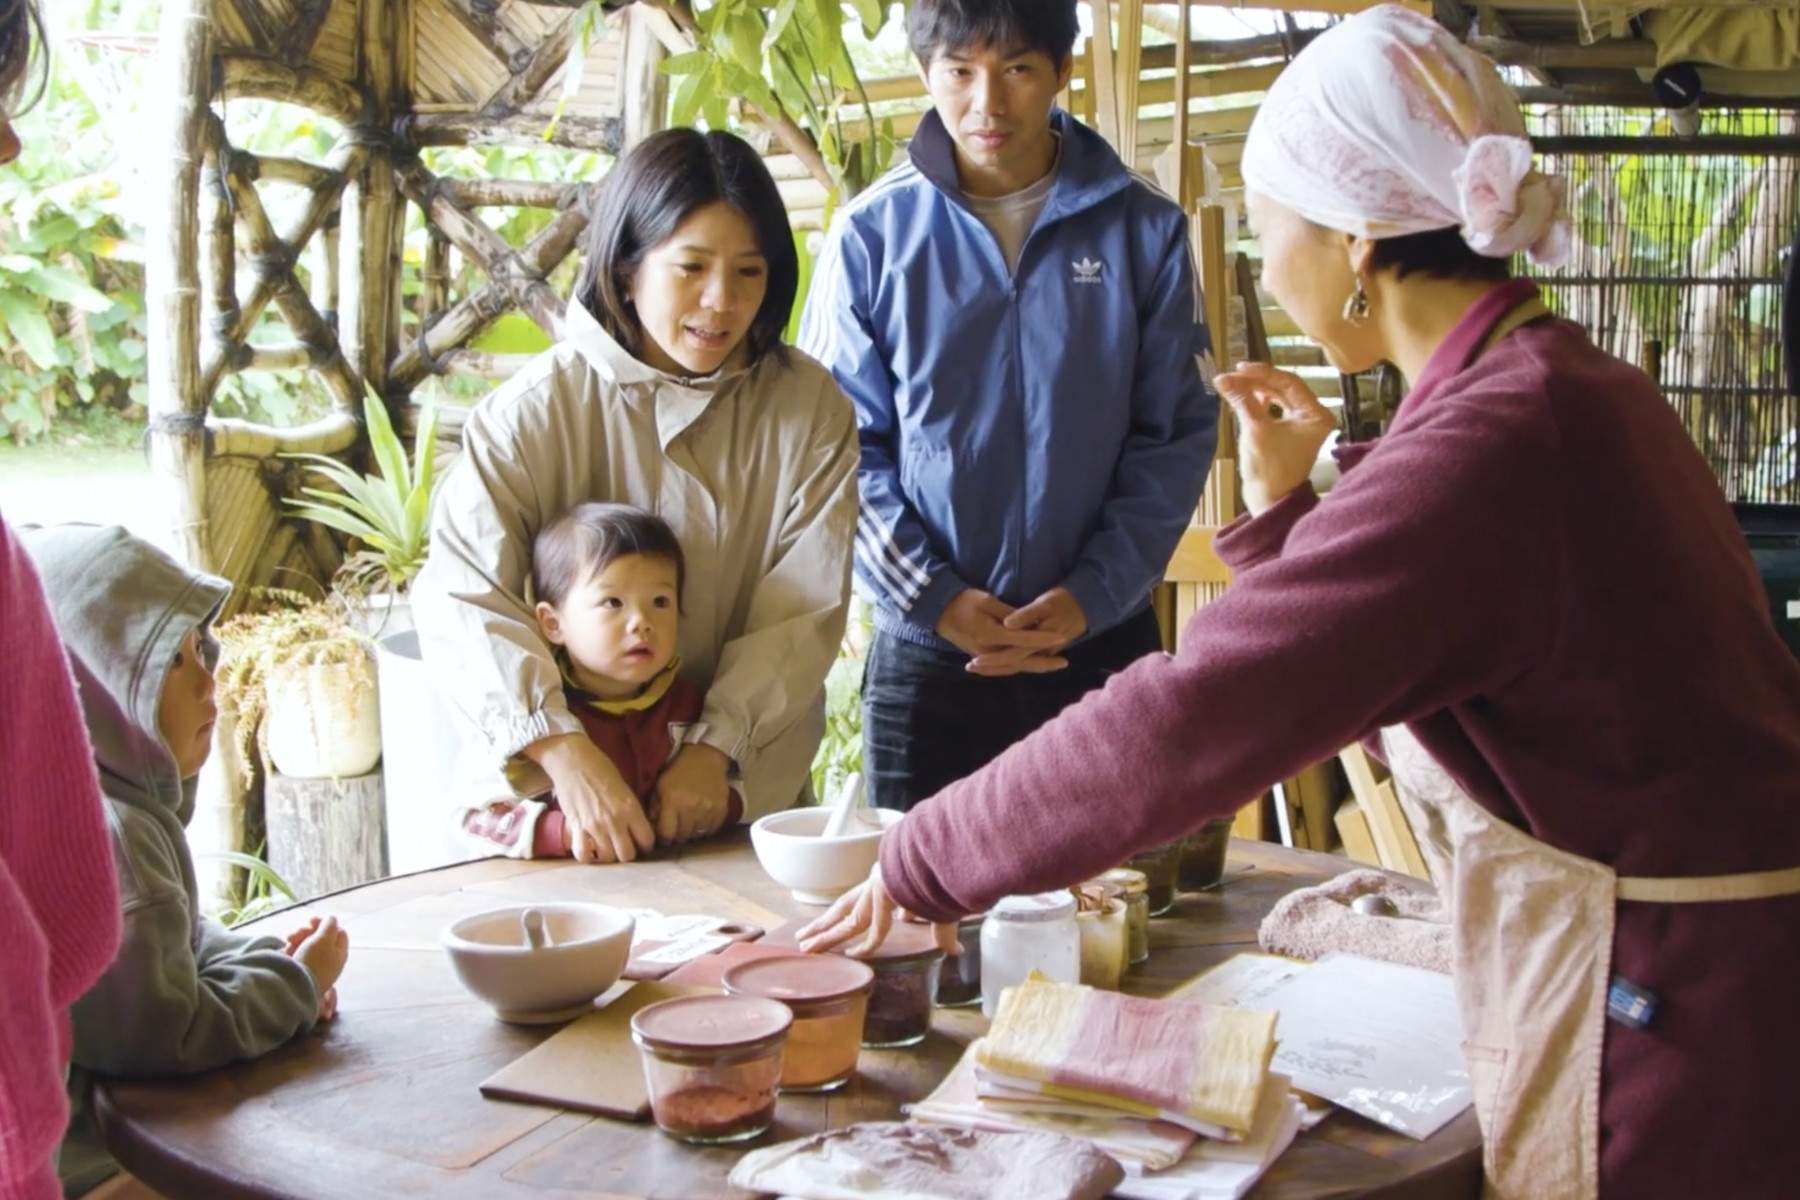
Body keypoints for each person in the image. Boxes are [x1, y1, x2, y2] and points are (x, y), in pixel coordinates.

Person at [800, 7, 1800, 1197]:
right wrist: (1284, 522)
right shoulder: (1559, 387)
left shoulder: (1494, 442)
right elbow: (1383, 666)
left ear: (1357, 243)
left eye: (1271, 228)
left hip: (1672, 1020)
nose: (1267, 270)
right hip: (1684, 973)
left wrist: (918, 856)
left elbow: (1194, 714)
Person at [798, 0, 1218, 813]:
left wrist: (1094, 593)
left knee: (1121, 887)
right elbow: (837, 447)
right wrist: (932, 598)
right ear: (925, 73)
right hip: (929, 657)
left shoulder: (1146, 230)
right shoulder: (869, 235)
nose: (987, 103)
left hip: (1100, 644)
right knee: (918, 888)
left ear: (1063, 71)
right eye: (960, 71)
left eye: (1018, 70)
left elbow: (1174, 435)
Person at [414, 128, 858, 866]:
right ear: (627, 269)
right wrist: (561, 750)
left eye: (749, 272)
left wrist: (715, 749)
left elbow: (802, 609)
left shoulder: (808, 409)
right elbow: (467, 595)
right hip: (561, 811)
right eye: (691, 267)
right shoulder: (530, 413)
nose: (721, 301)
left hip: (740, 796)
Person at [24, 525, 350, 1198]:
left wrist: (260, 958)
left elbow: (177, 939)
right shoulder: (117, 838)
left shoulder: (65, 800)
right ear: (95, 689)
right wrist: (296, 984)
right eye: (170, 664)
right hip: (100, 1167)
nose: (209, 680)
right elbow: (168, 1034)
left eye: (199, 649)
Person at [458, 502, 745, 858]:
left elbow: (734, 792)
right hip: (557, 887)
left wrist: (707, 810)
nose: (641, 622)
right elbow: (472, 818)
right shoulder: (528, 715)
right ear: (553, 623)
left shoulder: (694, 709)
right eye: (613, 603)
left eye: (660, 601)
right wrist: (562, 832)